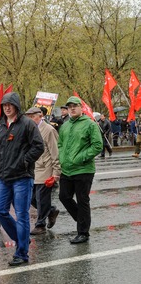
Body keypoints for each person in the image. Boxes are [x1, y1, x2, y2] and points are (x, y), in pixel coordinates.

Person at [0, 92, 44, 266]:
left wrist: (24, 161)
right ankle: (22, 239)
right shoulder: (1, 126)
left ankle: (22, 253)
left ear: (17, 106)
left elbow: (38, 146)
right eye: (4, 105)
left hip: (22, 178)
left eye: (10, 104)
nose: (7, 107)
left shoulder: (27, 124)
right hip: (3, 178)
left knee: (22, 215)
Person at [58, 96, 102, 244]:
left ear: (81, 107)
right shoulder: (64, 126)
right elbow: (60, 145)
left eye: (75, 106)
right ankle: (82, 219)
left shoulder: (90, 124)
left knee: (82, 200)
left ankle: (83, 232)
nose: (72, 108)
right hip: (67, 169)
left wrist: (80, 158)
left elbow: (97, 146)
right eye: (69, 106)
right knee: (64, 196)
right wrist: (62, 158)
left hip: (84, 169)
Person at [25, 107, 61, 235]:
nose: (29, 119)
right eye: (28, 116)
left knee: (41, 198)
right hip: (33, 169)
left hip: (46, 169)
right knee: (31, 198)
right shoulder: (29, 130)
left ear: (40, 116)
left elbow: (55, 152)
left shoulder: (49, 130)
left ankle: (40, 224)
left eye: (32, 116)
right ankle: (51, 211)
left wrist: (56, 172)